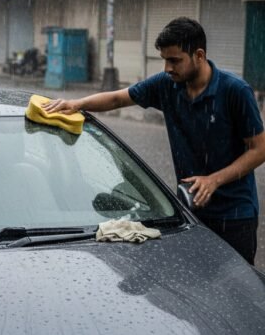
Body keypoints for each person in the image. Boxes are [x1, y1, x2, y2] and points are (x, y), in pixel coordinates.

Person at [43, 17, 265, 265]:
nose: (167, 68)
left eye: (174, 60)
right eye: (164, 60)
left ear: (199, 55)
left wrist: (214, 180)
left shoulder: (235, 91)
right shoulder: (167, 85)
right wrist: (77, 103)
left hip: (235, 215)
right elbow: (118, 99)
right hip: (189, 212)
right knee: (194, 286)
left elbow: (260, 149)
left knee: (236, 290)